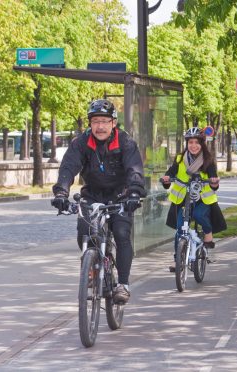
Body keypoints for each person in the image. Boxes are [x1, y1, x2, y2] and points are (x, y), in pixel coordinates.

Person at [51, 99, 146, 304]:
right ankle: (92, 268)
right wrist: (61, 193)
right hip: (92, 194)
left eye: (104, 121)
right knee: (84, 233)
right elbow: (68, 167)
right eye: (95, 121)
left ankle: (122, 284)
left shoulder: (125, 142)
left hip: (121, 195)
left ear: (113, 123)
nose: (100, 126)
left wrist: (134, 193)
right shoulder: (81, 142)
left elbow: (134, 169)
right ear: (90, 123)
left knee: (121, 233)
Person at [161, 127, 227, 271]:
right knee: (180, 229)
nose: (193, 145)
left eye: (197, 142)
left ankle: (208, 234)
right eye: (190, 142)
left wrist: (214, 182)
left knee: (198, 215)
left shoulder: (208, 160)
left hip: (202, 199)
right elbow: (171, 173)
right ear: (187, 143)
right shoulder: (180, 158)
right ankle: (177, 260)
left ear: (202, 144)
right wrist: (166, 179)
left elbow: (213, 178)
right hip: (183, 199)